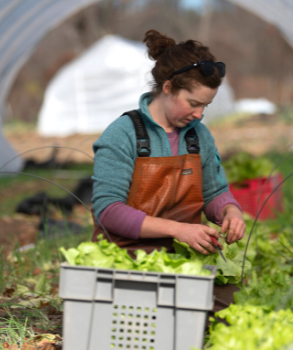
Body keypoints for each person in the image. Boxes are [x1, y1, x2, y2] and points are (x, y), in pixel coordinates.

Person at [90, 30, 245, 311]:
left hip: (183, 258)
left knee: (233, 307)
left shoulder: (199, 137)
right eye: (193, 103)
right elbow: (108, 210)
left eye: (205, 106)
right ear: (168, 88)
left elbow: (214, 192)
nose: (199, 114)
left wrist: (229, 212)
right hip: (125, 258)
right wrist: (178, 230)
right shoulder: (122, 135)